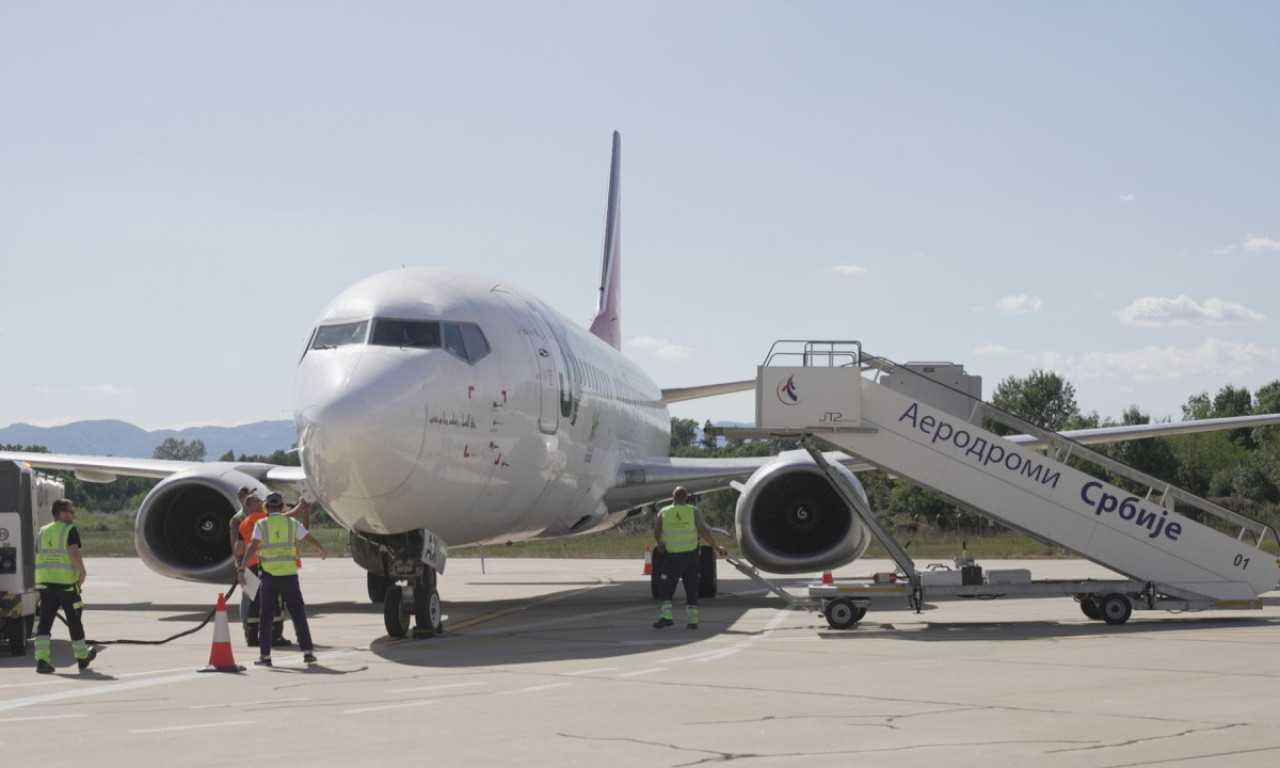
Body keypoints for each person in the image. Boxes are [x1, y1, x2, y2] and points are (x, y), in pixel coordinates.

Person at [238, 492, 326, 666]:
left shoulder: (261, 524)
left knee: (266, 616)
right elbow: (308, 537)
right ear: (282, 507)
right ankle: (308, 652)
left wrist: (242, 568)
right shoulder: (291, 523)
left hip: (269, 578)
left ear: (266, 508)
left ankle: (265, 656)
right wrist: (320, 548)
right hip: (289, 577)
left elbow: (252, 548)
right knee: (298, 614)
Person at [33, 499, 96, 673]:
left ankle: (42, 660)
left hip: (46, 584)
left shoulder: (42, 531)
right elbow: (74, 552)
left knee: (44, 624)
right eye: (71, 511)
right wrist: (82, 572)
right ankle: (82, 657)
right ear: (61, 514)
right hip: (66, 585)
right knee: (74, 622)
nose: (73, 514)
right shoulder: (69, 530)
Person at [653, 486, 726, 630]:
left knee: (666, 588)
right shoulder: (693, 511)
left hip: (672, 557)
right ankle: (692, 621)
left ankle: (667, 617)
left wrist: (660, 543)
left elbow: (657, 531)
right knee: (691, 589)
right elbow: (703, 531)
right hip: (690, 557)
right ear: (686, 497)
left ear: (672, 496)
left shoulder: (664, 512)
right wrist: (717, 547)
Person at [233, 492, 289, 648]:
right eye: (258, 501)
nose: (261, 502)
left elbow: (239, 548)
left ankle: (251, 636)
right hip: (266, 565)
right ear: (253, 505)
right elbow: (287, 516)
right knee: (275, 601)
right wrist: (301, 506)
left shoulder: (244, 523)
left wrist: (241, 568)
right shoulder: (264, 518)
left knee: (253, 603)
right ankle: (275, 636)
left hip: (249, 566)